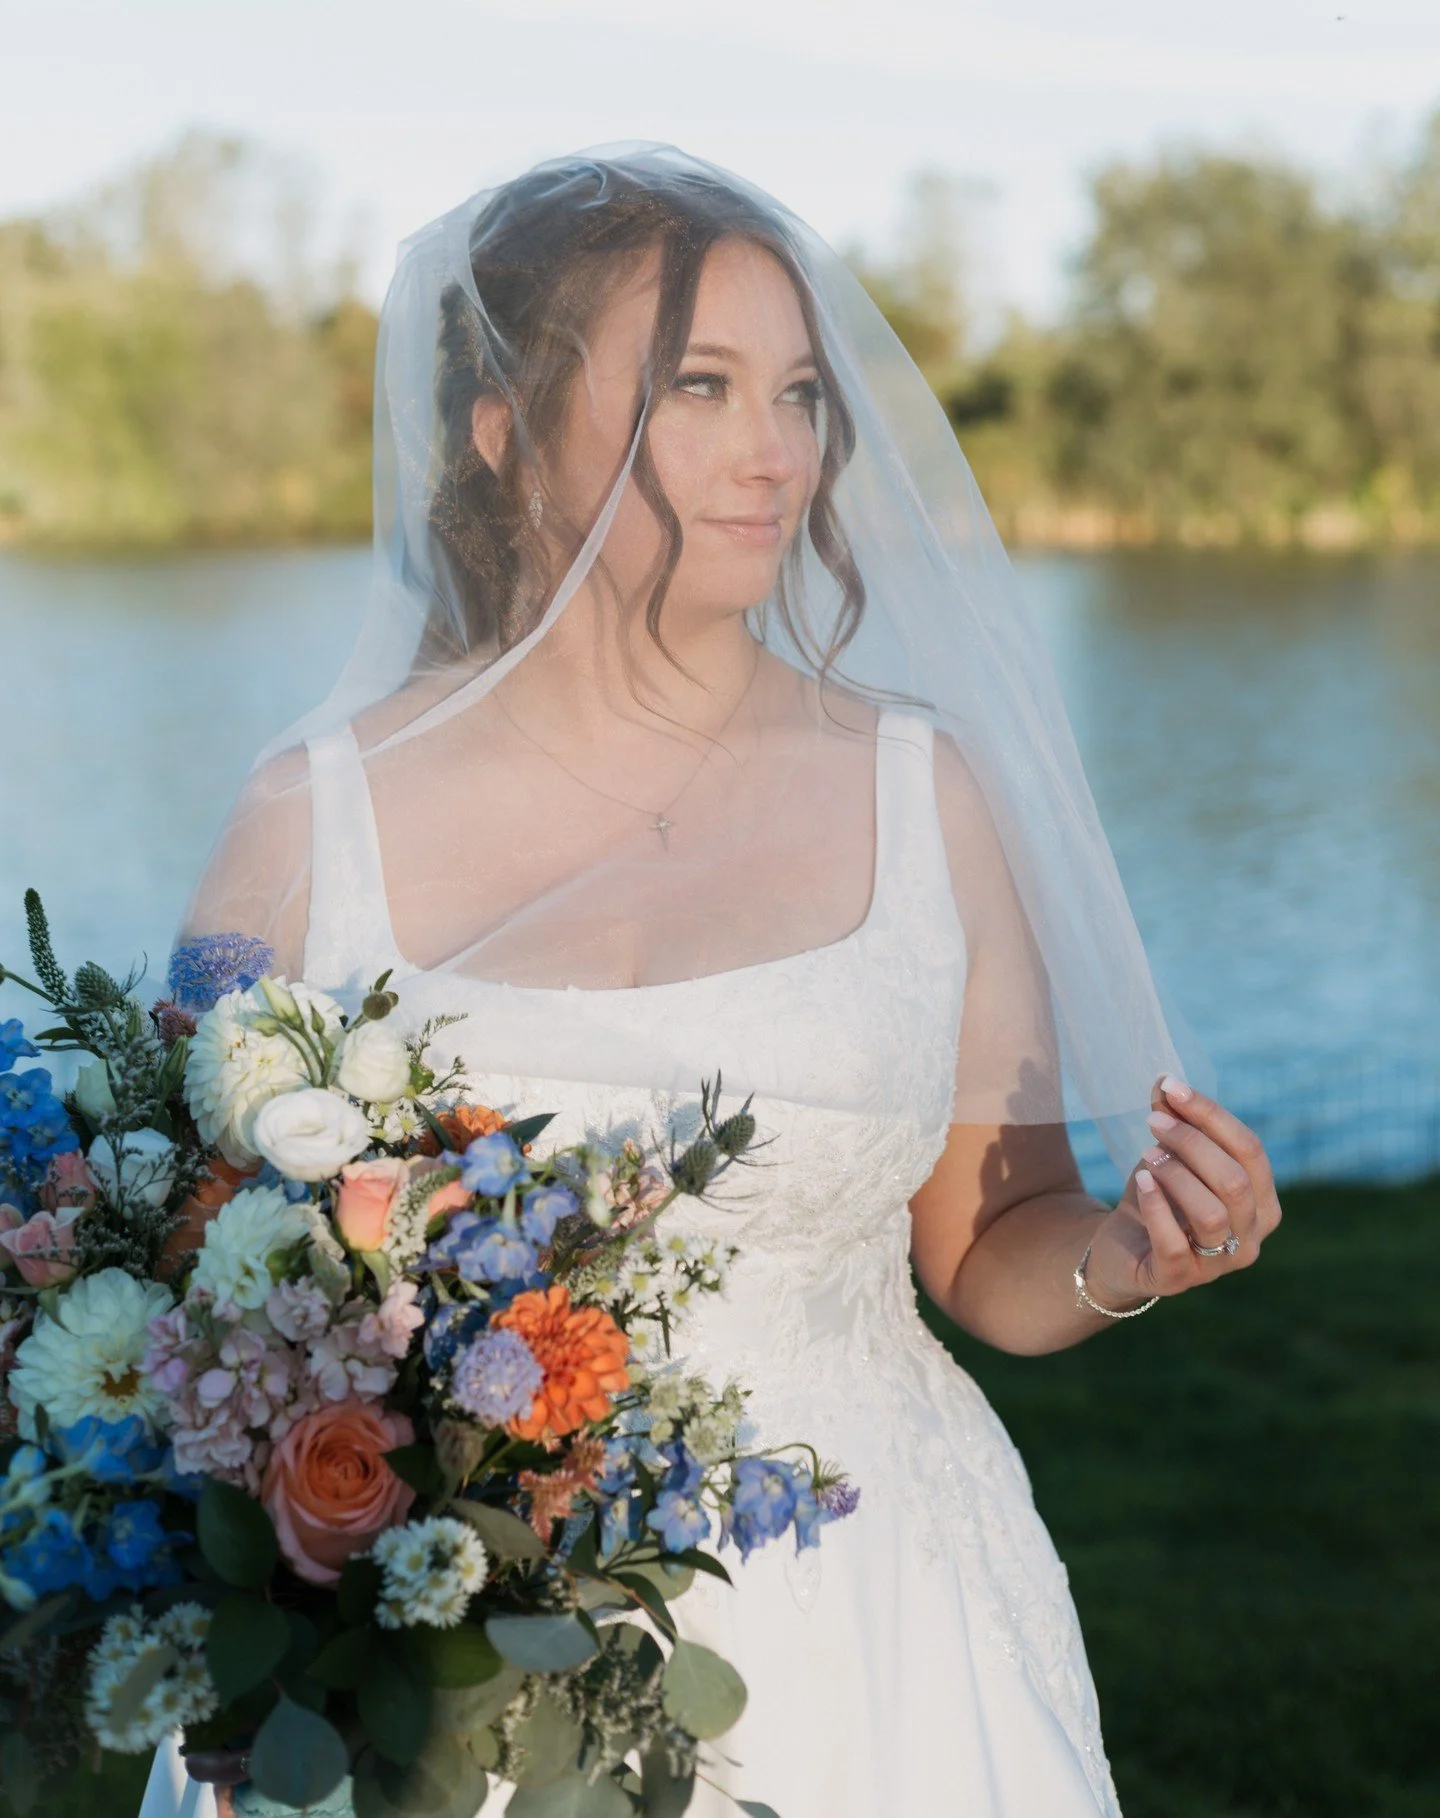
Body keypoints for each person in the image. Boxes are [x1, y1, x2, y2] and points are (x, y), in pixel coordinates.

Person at [141, 144, 1282, 1817]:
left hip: (878, 1617)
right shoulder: (310, 818)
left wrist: (1128, 1255)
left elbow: (984, 1247)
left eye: (801, 393)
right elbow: (183, 1264)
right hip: (441, 1658)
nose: (778, 455)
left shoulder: (922, 790)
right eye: (702, 387)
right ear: (505, 433)